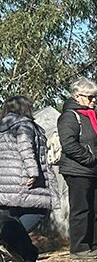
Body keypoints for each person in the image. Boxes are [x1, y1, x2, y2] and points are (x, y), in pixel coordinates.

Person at [57, 78, 97, 260]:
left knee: (95, 209)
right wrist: (91, 159)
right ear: (77, 96)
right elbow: (69, 144)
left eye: (95, 96)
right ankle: (79, 248)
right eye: (89, 97)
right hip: (78, 170)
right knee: (81, 209)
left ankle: (90, 245)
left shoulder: (92, 117)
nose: (94, 100)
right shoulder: (69, 116)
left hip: (96, 170)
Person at [0, 96, 57, 233]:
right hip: (23, 177)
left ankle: (10, 241)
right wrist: (33, 172)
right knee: (39, 210)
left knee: (11, 214)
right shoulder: (24, 124)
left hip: (5, 181)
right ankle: (10, 239)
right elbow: (25, 147)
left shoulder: (2, 127)